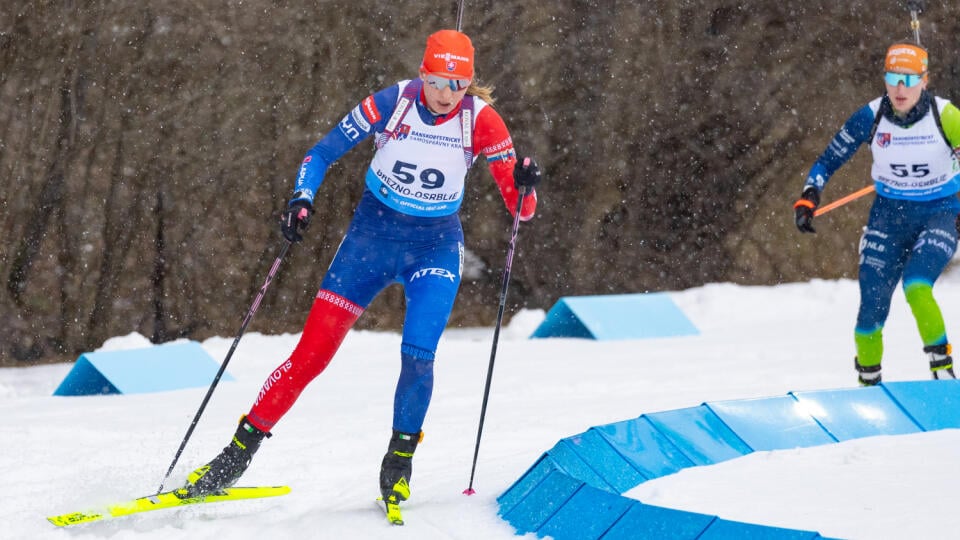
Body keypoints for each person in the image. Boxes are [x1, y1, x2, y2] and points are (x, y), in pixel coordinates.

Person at [181, 29, 541, 513]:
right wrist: (301, 200)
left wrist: (524, 185)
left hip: (433, 250)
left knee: (418, 354)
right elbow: (321, 152)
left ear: (469, 84)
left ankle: (398, 464)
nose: (445, 95)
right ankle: (234, 456)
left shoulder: (483, 122)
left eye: (457, 86)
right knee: (310, 357)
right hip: (369, 244)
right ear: (423, 73)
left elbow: (521, 209)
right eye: (437, 82)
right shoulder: (392, 103)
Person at [794, 42, 960, 385]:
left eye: (909, 79)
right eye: (893, 78)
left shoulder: (946, 117)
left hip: (939, 212)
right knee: (871, 307)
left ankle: (942, 371)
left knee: (916, 286)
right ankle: (868, 384)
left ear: (924, 81)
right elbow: (828, 159)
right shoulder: (871, 116)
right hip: (888, 216)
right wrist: (810, 195)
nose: (900, 88)